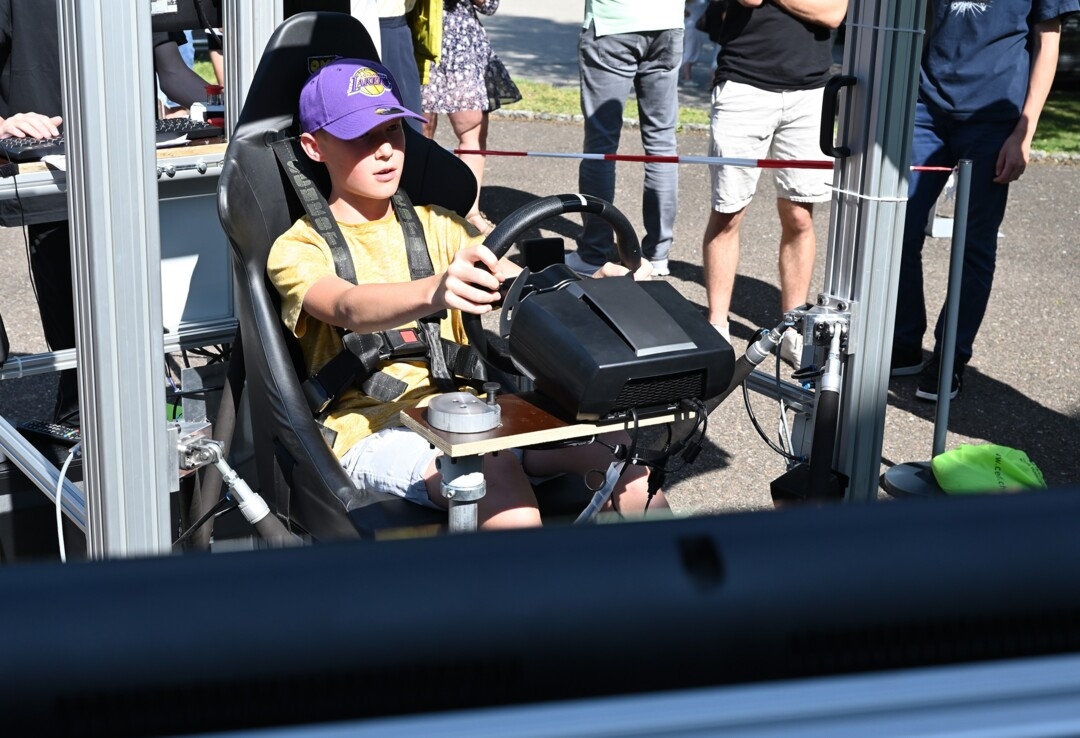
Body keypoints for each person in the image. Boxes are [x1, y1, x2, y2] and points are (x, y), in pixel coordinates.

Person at [267, 58, 664, 530]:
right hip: (374, 430)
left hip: (474, 416)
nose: (386, 151)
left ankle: (675, 574)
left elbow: (522, 283)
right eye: (361, 137)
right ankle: (544, 579)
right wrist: (436, 290)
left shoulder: (443, 226)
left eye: (393, 131)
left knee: (623, 451)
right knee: (490, 471)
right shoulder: (299, 247)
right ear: (314, 147)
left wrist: (593, 290)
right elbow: (345, 306)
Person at [0, 0, 227, 427]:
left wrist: (234, 109)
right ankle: (82, 436)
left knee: (144, 332)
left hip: (135, 180)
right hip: (57, 185)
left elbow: (171, 70)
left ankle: (160, 432)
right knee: (83, 359)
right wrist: (2, 124)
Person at [891, 0, 1078, 401]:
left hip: (994, 116)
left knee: (973, 244)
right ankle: (904, 343)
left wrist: (1023, 132)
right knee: (896, 227)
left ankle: (950, 358)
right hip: (926, 105)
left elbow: (1048, 40)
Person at [698, 0, 847, 365]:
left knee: (800, 217)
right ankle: (717, 324)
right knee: (728, 212)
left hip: (810, 92)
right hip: (743, 85)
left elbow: (832, 14)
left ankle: (791, 329)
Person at [568, 0, 682, 278]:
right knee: (661, 143)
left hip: (612, 23)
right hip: (667, 22)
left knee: (600, 147)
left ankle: (593, 253)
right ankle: (657, 254)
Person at [421, 0, 520, 236]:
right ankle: (419, 210)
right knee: (418, 132)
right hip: (418, 37)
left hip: (461, 44)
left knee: (472, 132)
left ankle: (470, 212)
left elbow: (490, 5)